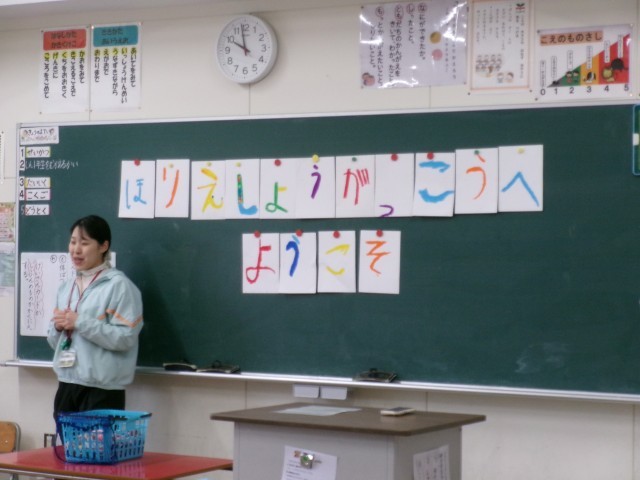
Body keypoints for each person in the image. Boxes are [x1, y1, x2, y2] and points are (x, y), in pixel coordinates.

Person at [47, 215, 143, 419]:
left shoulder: (119, 286)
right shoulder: (66, 287)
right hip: (67, 384)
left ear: (103, 246)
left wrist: (80, 322)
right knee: (65, 441)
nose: (76, 250)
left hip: (102, 390)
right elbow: (55, 342)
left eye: (84, 243)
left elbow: (126, 338)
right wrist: (57, 328)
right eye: (73, 242)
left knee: (96, 441)